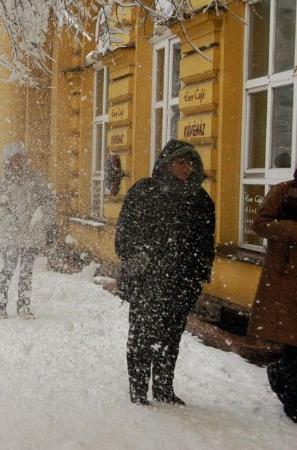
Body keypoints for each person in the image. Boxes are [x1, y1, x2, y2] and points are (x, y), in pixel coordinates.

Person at [115, 139, 215, 406]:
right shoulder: (145, 191)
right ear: (167, 164)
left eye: (190, 162)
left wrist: (198, 277)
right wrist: (137, 260)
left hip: (181, 282)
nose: (186, 168)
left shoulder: (200, 200)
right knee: (142, 335)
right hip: (147, 279)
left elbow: (205, 244)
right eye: (180, 162)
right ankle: (138, 390)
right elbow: (124, 233)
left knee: (171, 337)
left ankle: (163, 388)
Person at [249, 166, 297, 423]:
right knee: (293, 344)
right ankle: (292, 401)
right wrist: (293, 230)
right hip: (285, 279)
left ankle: (279, 375)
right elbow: (260, 224)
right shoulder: (283, 192)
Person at [0, 143, 55, 319]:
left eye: (20, 158)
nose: (17, 162)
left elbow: (48, 200)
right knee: (9, 267)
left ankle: (24, 305)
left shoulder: (35, 179)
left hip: (31, 234)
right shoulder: (1, 182)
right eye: (14, 159)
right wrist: (10, 221)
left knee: (26, 271)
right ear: (8, 161)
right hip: (11, 234)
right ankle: (0, 303)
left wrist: (41, 218)